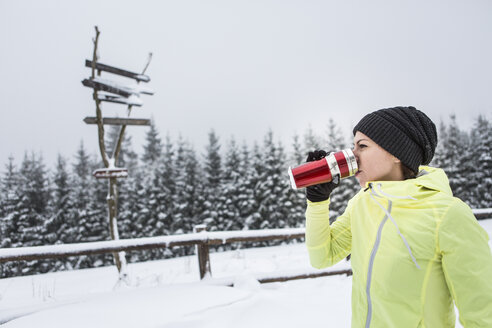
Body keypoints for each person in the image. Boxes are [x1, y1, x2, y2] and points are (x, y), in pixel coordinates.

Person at [304, 106, 492, 327]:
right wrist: (317, 201)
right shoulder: (362, 204)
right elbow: (322, 256)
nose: (352, 156)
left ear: (396, 152)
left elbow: (483, 314)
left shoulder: (448, 215)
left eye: (362, 146)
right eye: (353, 146)